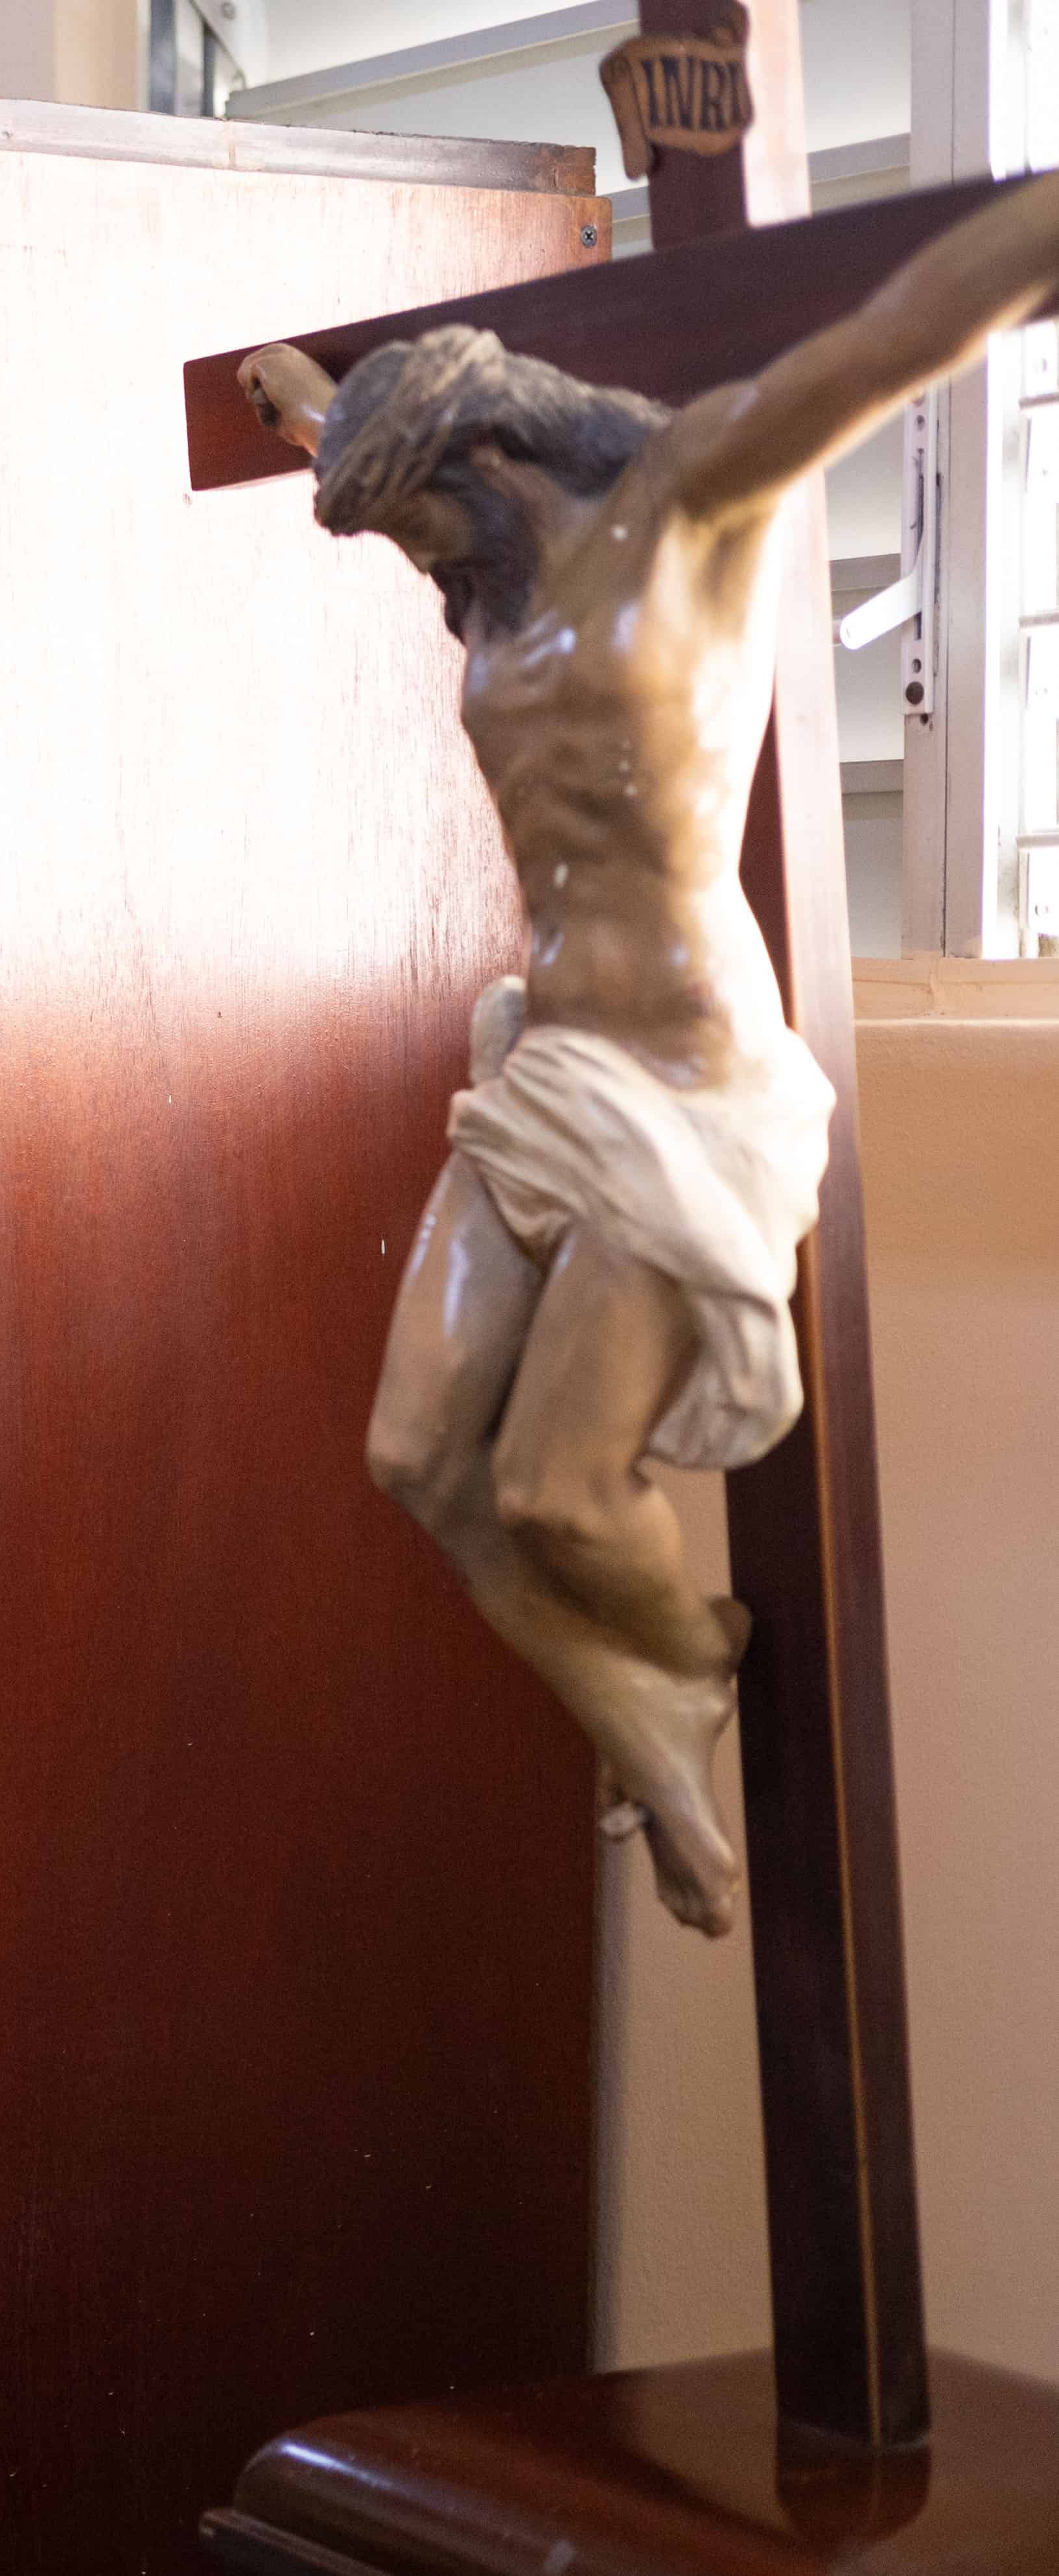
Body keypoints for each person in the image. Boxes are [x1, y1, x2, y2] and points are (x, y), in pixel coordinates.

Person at [237, 170, 1059, 1935]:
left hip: (685, 1081)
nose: (423, 570)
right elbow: (351, 441)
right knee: (414, 1462)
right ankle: (653, 1706)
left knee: (548, 1489)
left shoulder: (694, 502)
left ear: (489, 455)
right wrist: (296, 400)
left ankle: (685, 1663)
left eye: (426, 529)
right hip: (541, 1065)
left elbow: (900, 334)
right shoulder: (485, 578)